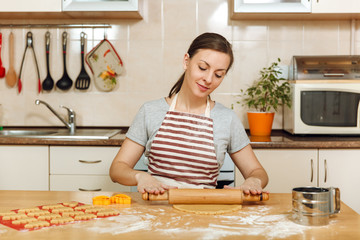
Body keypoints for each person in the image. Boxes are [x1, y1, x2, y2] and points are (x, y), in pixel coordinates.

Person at [109, 32, 268, 196]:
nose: (208, 79)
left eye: (218, 74)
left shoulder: (227, 119)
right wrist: (140, 176)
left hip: (204, 212)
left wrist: (254, 180)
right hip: (157, 212)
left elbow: (257, 171)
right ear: (186, 61)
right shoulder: (150, 111)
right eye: (203, 68)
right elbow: (117, 169)